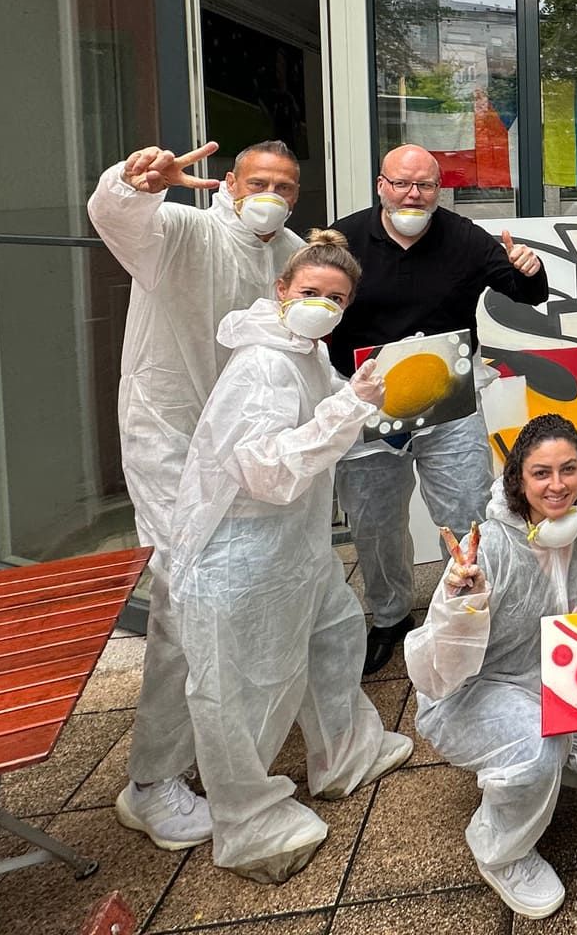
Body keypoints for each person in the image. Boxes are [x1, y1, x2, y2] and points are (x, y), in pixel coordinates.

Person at [164, 232, 414, 882]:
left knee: (333, 639)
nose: (322, 307)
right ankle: (249, 822)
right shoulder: (261, 366)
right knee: (245, 688)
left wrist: (362, 396)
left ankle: (345, 752)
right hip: (240, 553)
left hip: (294, 546)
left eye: (336, 299)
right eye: (311, 293)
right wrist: (354, 407)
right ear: (282, 290)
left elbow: (330, 413)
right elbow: (269, 471)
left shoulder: (304, 354)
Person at [90, 137, 305, 851]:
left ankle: (220, 741)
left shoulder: (289, 254)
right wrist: (132, 183)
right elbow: (118, 218)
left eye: (285, 184)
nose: (270, 194)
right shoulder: (180, 232)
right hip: (169, 442)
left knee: (242, 591)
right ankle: (151, 783)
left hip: (236, 447)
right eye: (258, 180)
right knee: (187, 600)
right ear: (229, 185)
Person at [404, 414, 577, 921]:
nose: (558, 484)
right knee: (536, 750)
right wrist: (463, 603)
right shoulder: (489, 548)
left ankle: (538, 769)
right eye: (542, 473)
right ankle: (500, 848)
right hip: (474, 692)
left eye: (569, 469)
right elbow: (435, 674)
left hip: (556, 676)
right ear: (518, 479)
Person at [327, 143, 552, 674]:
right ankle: (389, 616)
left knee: (468, 510)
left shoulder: (464, 238)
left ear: (438, 190)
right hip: (367, 406)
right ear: (381, 185)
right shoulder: (343, 239)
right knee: (374, 521)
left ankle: (474, 605)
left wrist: (530, 266)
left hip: (448, 405)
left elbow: (527, 293)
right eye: (402, 183)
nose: (413, 194)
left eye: (425, 185)